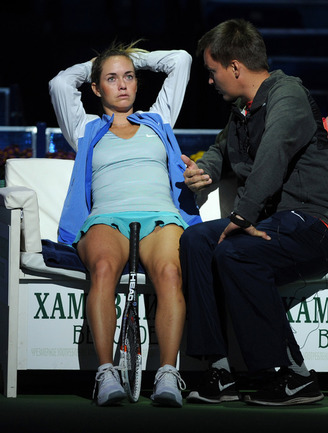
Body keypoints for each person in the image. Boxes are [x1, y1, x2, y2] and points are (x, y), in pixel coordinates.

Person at [179, 19, 328, 406]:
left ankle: (292, 374)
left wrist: (241, 218)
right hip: (273, 223)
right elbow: (222, 149)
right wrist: (206, 171)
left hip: (317, 224)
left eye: (212, 71)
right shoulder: (242, 108)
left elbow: (273, 155)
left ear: (235, 66)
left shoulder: (288, 94)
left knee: (235, 252)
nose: (210, 80)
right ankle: (218, 369)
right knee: (195, 240)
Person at [49, 41, 201, 407]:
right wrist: (99, 62)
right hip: (107, 219)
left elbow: (180, 60)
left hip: (160, 216)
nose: (122, 85)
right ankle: (106, 373)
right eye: (112, 78)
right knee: (103, 268)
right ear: (96, 87)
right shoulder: (85, 128)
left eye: (129, 76)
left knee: (170, 273)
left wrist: (129, 58)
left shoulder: (158, 120)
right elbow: (60, 83)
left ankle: (167, 374)